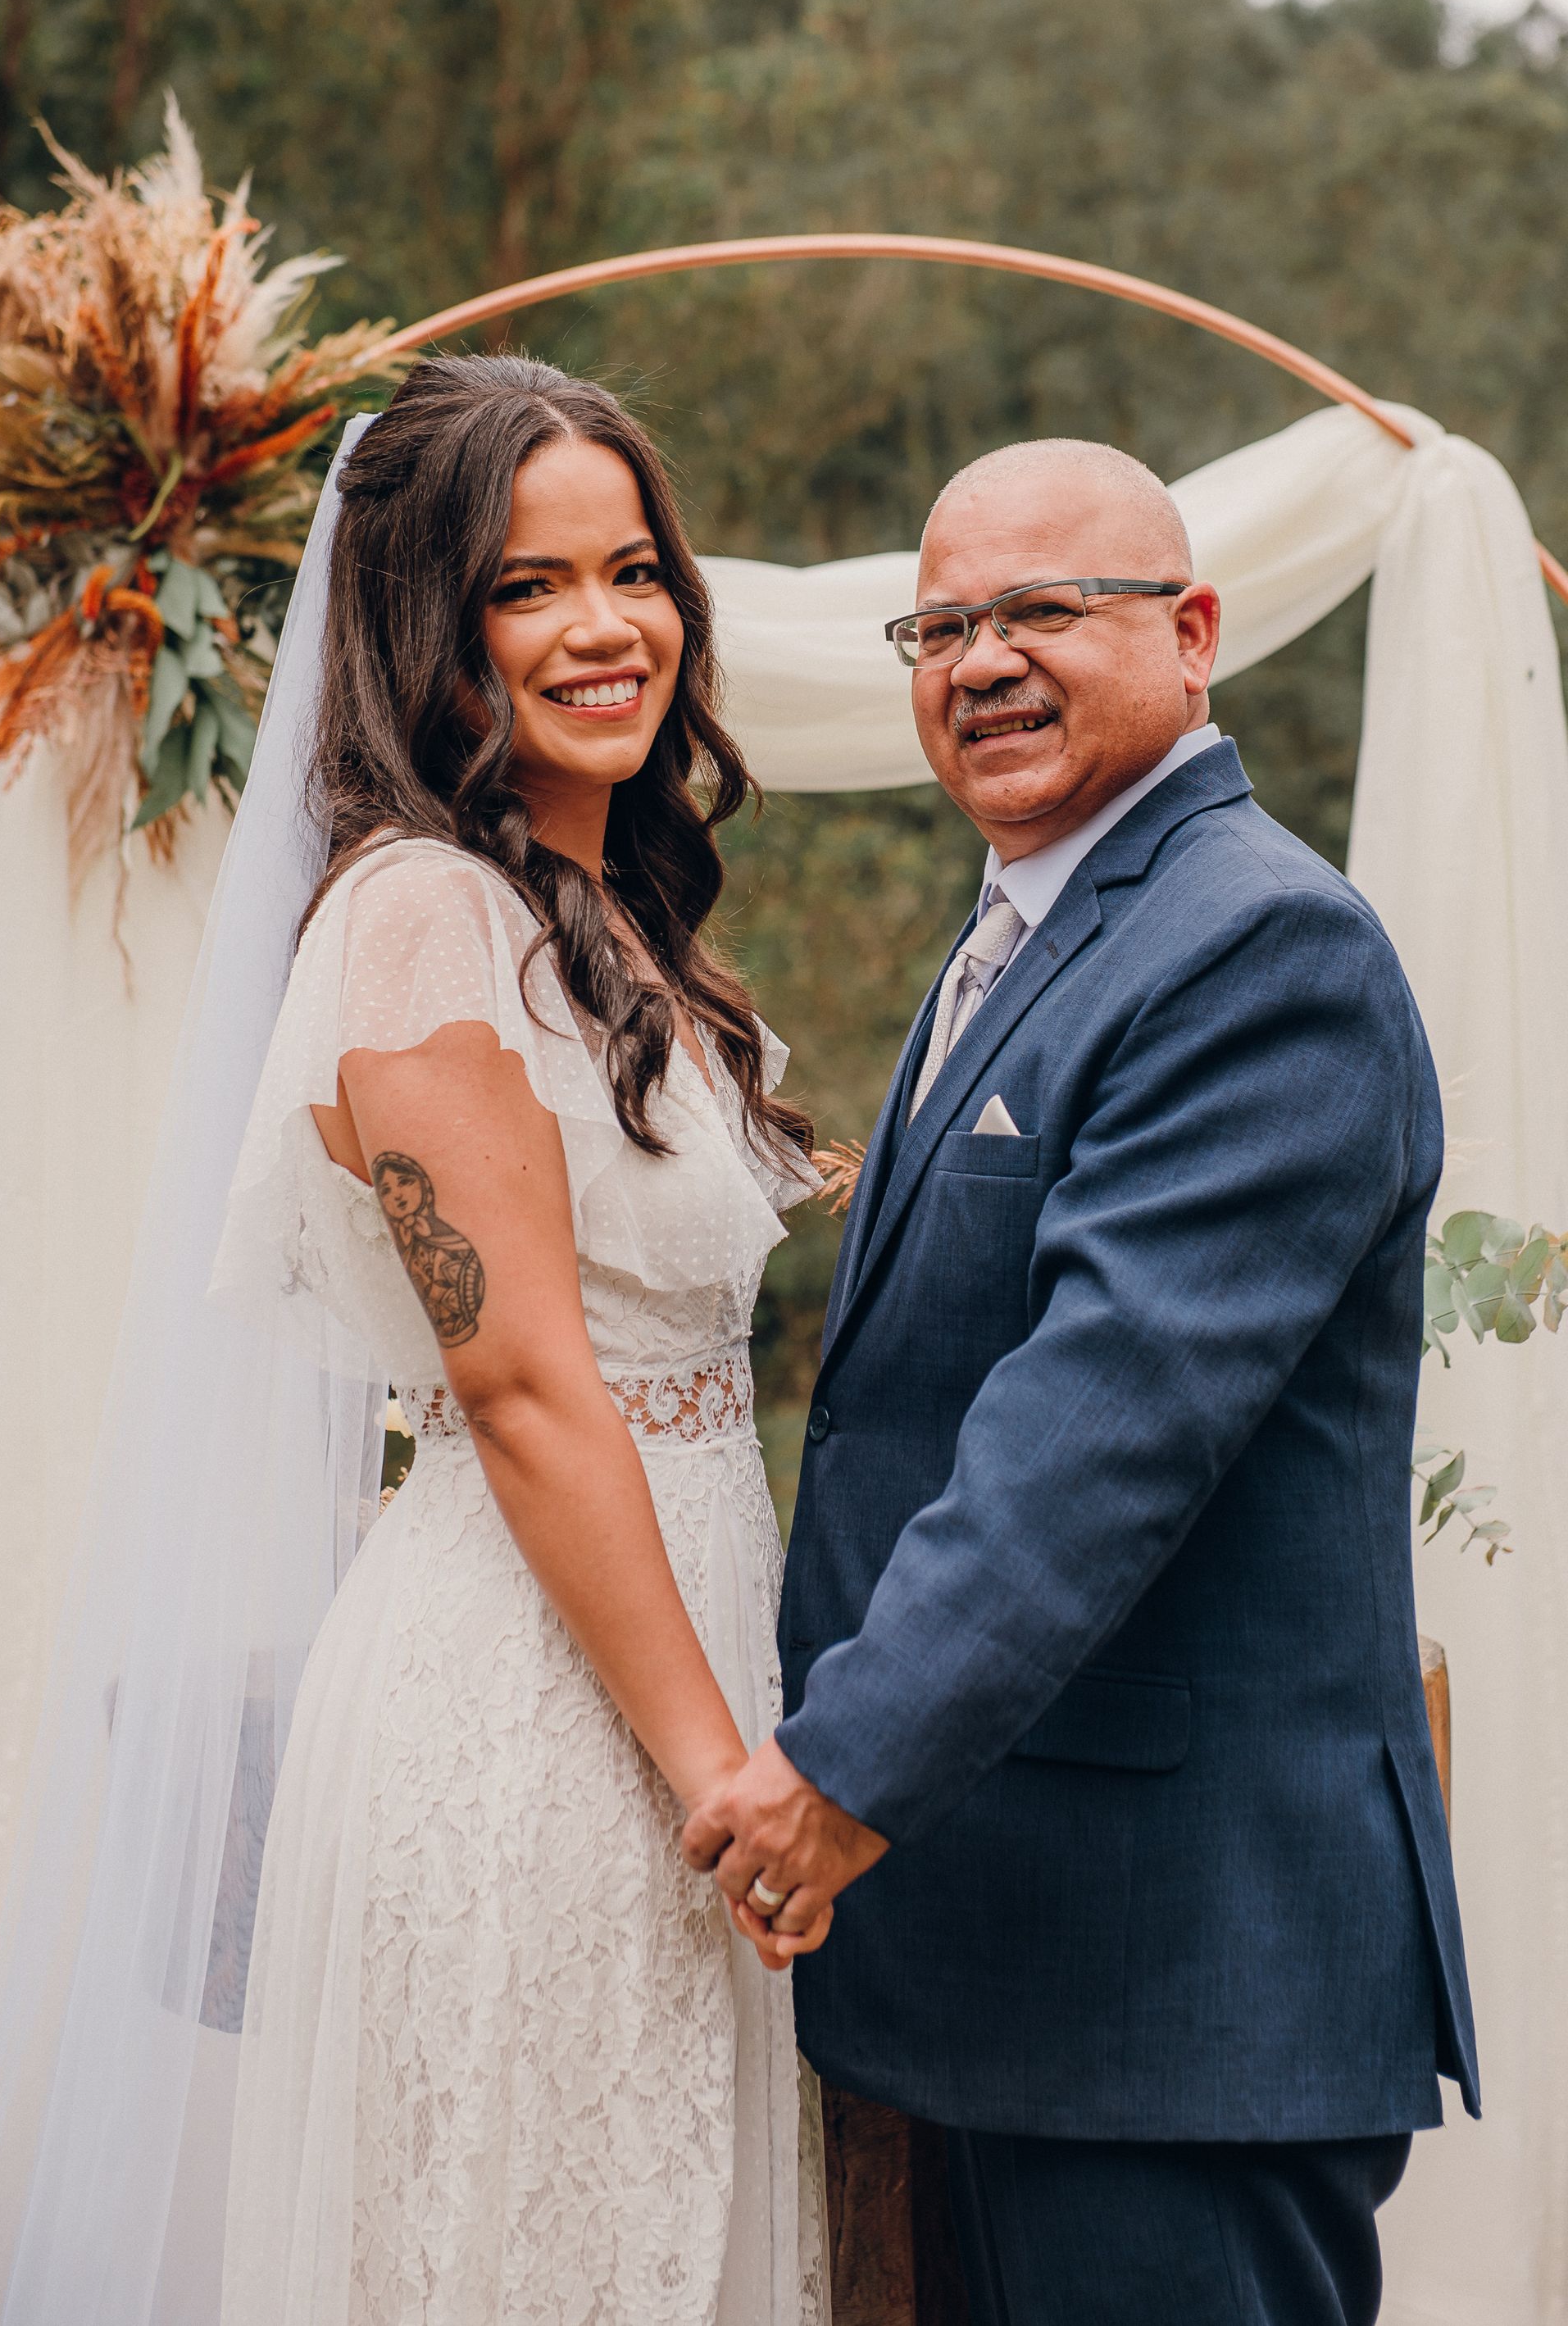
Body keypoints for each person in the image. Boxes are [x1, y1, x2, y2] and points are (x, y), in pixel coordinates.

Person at [684, 438, 1479, 2324]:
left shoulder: (1257, 946)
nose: (982, 661)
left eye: (1046, 610)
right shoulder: (1031, 922)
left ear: (1194, 635)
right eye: (941, 622)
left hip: (1176, 1975)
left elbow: (1098, 1434)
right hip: (1016, 1947)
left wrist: (837, 1772)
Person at [205, 356, 830, 2322]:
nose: (604, 627)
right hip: (545, 1700)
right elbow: (522, 1377)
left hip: (674, 1641)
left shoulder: (602, 912)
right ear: (422, 623)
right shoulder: (419, 920)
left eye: (633, 570)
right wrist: (718, 1771)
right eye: (526, 586)